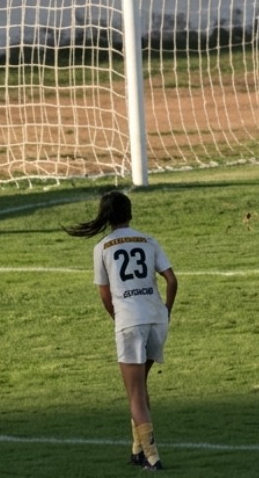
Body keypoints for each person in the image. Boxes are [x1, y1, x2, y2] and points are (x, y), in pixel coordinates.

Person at [65, 191, 178, 471]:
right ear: (130, 213)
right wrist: (166, 310)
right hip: (156, 319)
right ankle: (137, 449)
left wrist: (118, 317)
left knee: (135, 393)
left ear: (105, 216)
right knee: (140, 386)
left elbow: (104, 293)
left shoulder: (103, 247)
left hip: (130, 322)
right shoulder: (147, 239)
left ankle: (152, 457)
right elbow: (172, 279)